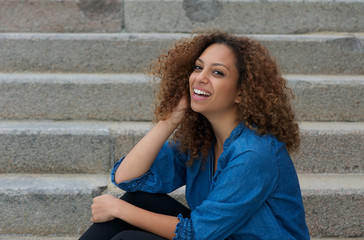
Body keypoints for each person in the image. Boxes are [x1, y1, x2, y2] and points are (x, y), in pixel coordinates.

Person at [79, 30, 310, 240]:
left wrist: (119, 209)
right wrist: (169, 120)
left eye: (217, 72)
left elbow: (198, 233)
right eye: (198, 67)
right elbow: (127, 179)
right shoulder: (202, 141)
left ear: (241, 92)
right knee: (139, 199)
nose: (200, 77)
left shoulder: (254, 153)